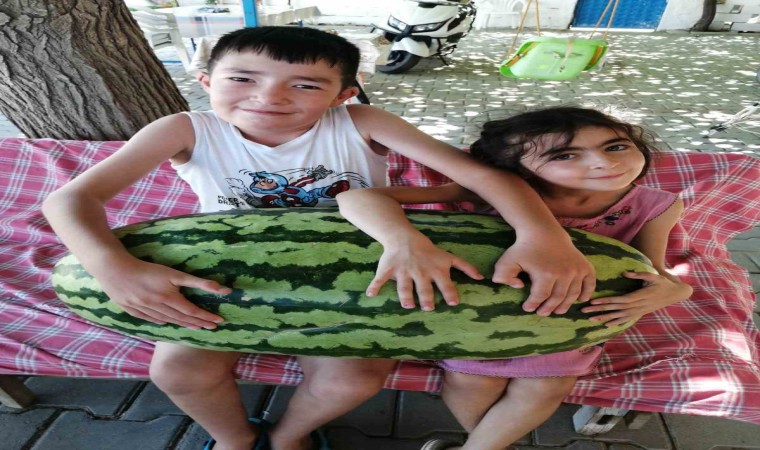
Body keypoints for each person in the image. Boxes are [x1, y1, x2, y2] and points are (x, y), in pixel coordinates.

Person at [42, 28, 597, 450]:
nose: (269, 96)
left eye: (305, 84)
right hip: (223, 275)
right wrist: (111, 266)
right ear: (206, 81)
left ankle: (289, 438)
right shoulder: (185, 129)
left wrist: (543, 237)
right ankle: (236, 441)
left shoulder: (362, 122)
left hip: (363, 271)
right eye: (242, 78)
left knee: (354, 378)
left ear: (342, 94)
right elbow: (69, 200)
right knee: (175, 371)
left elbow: (485, 177)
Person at [336, 106, 694, 450]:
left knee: (545, 387)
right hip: (478, 312)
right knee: (469, 381)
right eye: (564, 155)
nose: (604, 162)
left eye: (615, 146)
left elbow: (650, 268)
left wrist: (675, 290)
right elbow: (359, 198)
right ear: (515, 167)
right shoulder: (490, 191)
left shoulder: (655, 205)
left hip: (569, 313)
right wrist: (403, 241)